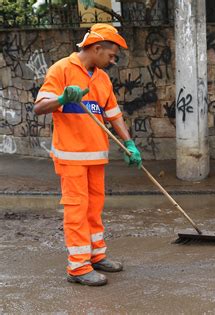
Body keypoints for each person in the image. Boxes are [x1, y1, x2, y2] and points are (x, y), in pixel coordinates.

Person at [34, 24, 142, 286]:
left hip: (96, 157)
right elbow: (39, 107)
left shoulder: (102, 78)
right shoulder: (61, 69)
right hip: (71, 157)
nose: (113, 61)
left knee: (94, 209)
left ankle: (95, 255)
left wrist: (130, 144)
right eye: (111, 55)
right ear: (96, 48)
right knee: (77, 210)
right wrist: (62, 99)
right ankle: (78, 267)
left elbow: (113, 114)